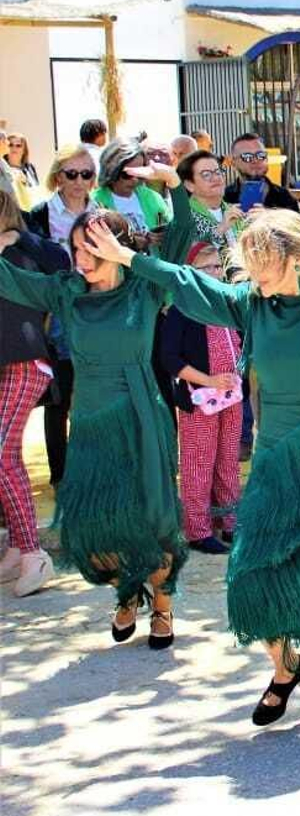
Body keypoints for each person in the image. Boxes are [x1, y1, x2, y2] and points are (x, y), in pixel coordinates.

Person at [85, 113, 300, 735]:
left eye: (259, 257)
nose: (248, 268)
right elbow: (184, 281)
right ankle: (286, 664)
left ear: (292, 257)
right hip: (275, 454)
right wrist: (128, 255)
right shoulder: (250, 305)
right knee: (256, 571)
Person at [0, 159, 190, 648]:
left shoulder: (145, 288)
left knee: (152, 515)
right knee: (99, 521)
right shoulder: (67, 291)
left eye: (91, 250)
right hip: (88, 420)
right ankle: (126, 593)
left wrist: (173, 184)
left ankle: (163, 606)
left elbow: (180, 237)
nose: (80, 259)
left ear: (117, 249)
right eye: (76, 248)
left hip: (140, 414)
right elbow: (10, 280)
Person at [0, 188, 69, 597]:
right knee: (7, 456)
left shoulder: (24, 249)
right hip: (7, 363)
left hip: (27, 362)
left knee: (3, 454)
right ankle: (16, 547)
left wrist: (17, 238)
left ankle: (33, 552)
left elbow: (60, 263)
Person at [23, 145, 102, 486]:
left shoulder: (101, 212)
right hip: (56, 318)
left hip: (97, 314)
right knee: (60, 398)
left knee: (95, 396)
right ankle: (61, 475)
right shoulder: (39, 215)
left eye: (86, 174)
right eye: (71, 173)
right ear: (57, 176)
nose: (78, 181)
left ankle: (93, 469)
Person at [158, 241, 244, 553]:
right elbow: (169, 357)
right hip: (200, 396)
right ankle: (198, 530)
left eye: (216, 266)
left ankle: (230, 522)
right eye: (204, 267)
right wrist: (209, 379)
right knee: (198, 461)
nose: (212, 272)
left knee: (227, 460)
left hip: (232, 396)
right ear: (190, 273)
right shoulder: (182, 309)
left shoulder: (228, 303)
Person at [93, 140, 173, 235]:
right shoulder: (94, 202)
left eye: (139, 174)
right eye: (127, 174)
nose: (134, 180)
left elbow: (172, 230)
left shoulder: (153, 198)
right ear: (111, 170)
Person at [225, 133, 300, 212]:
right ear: (233, 163)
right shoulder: (224, 198)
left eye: (260, 155)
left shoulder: (285, 198)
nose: (255, 161)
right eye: (247, 157)